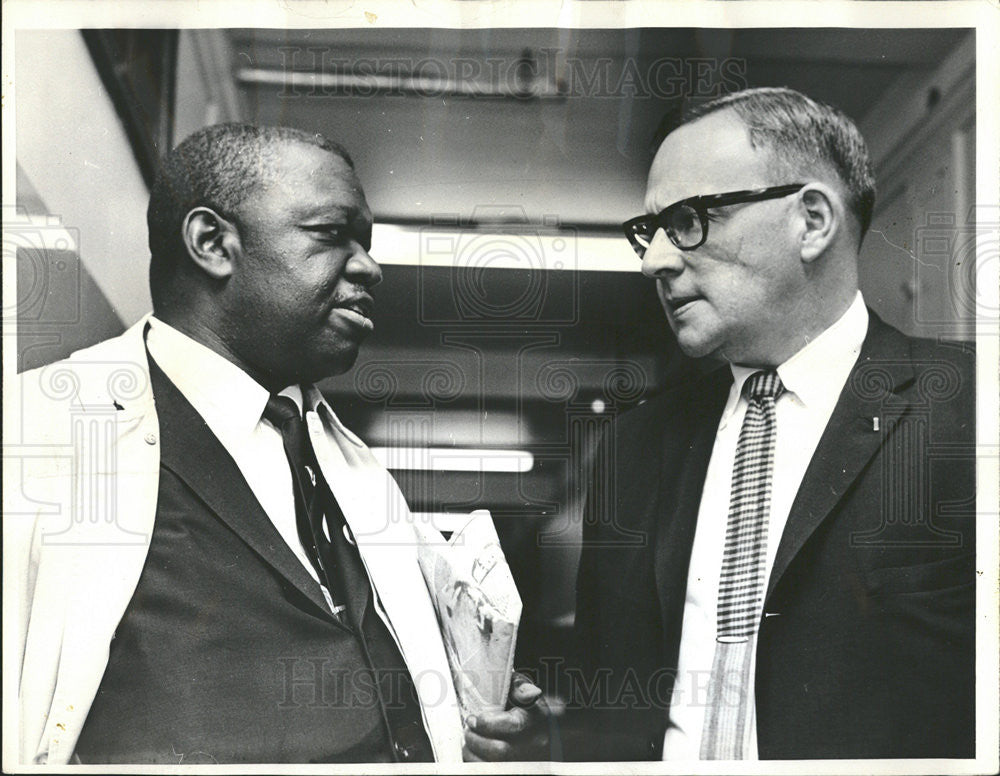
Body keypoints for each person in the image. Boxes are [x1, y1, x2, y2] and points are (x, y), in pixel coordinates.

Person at [6, 123, 526, 765]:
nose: (371, 267)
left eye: (365, 242)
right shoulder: (36, 429)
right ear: (212, 243)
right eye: (333, 235)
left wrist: (464, 717)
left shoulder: (353, 468)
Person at [565, 87, 976, 760]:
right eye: (650, 230)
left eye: (690, 219)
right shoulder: (634, 449)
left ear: (811, 220)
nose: (654, 260)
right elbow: (601, 698)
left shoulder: (970, 406)